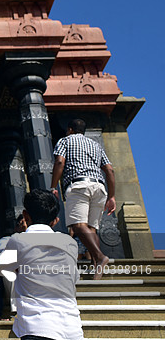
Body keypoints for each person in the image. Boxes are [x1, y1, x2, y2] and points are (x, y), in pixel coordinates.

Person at [0, 189, 92, 340]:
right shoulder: (69, 243)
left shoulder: (18, 241)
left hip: (38, 328)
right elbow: (73, 277)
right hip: (71, 329)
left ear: (26, 217)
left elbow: (3, 268)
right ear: (56, 219)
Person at [50, 118, 115, 280]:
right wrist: (112, 196)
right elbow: (109, 170)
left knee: (78, 226)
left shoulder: (65, 141)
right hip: (99, 187)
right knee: (91, 229)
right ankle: (97, 269)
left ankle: (100, 257)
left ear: (70, 129)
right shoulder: (95, 145)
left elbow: (59, 162)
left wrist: (53, 186)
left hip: (79, 185)